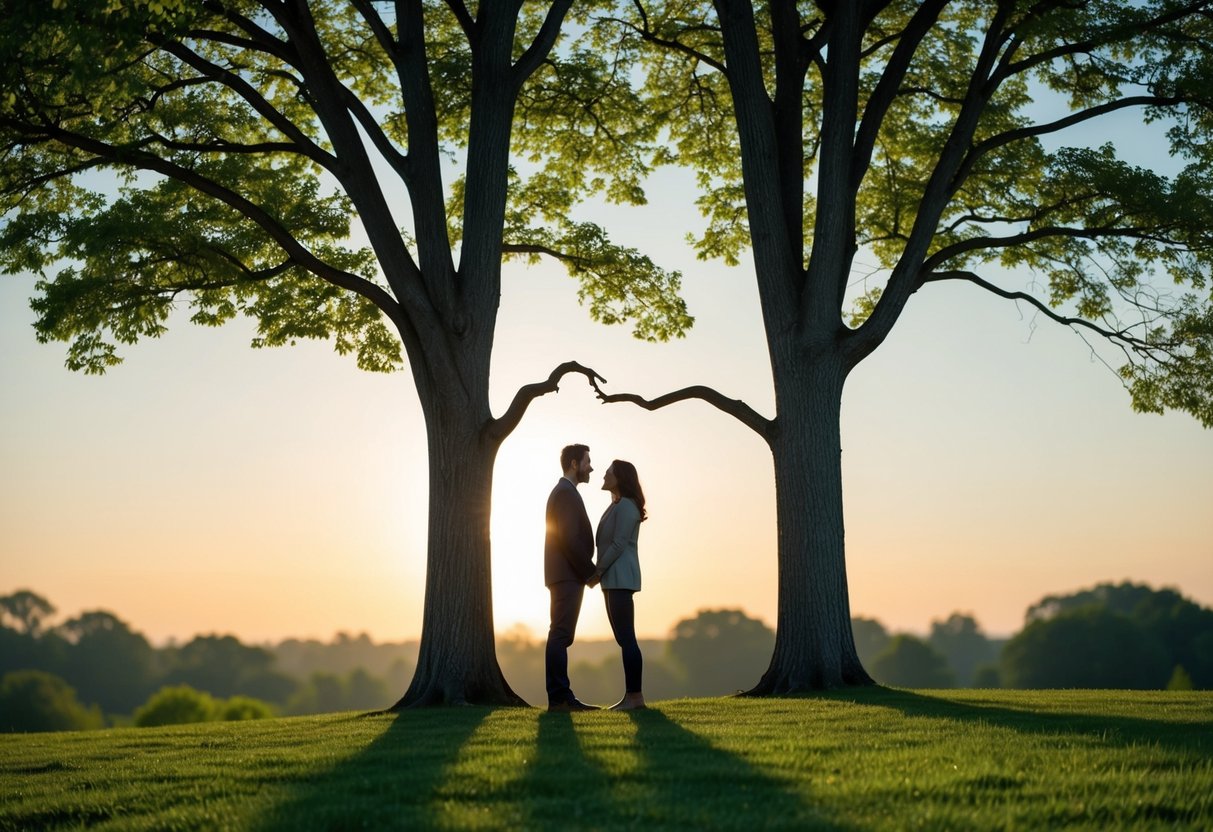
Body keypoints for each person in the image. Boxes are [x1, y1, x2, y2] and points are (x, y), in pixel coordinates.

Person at [543, 443, 599, 712]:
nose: (591, 467)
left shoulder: (566, 492)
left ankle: (561, 696)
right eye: (588, 461)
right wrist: (590, 572)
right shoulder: (565, 493)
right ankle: (560, 698)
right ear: (574, 464)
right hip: (566, 575)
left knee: (561, 634)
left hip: (564, 574)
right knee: (560, 634)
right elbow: (568, 539)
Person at [592, 459, 647, 711]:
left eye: (608, 472)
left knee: (627, 639)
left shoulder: (626, 506)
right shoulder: (615, 505)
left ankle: (635, 698)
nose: (603, 474)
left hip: (620, 579)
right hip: (611, 580)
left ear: (619, 477)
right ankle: (631, 696)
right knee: (623, 638)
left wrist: (596, 572)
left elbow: (618, 544)